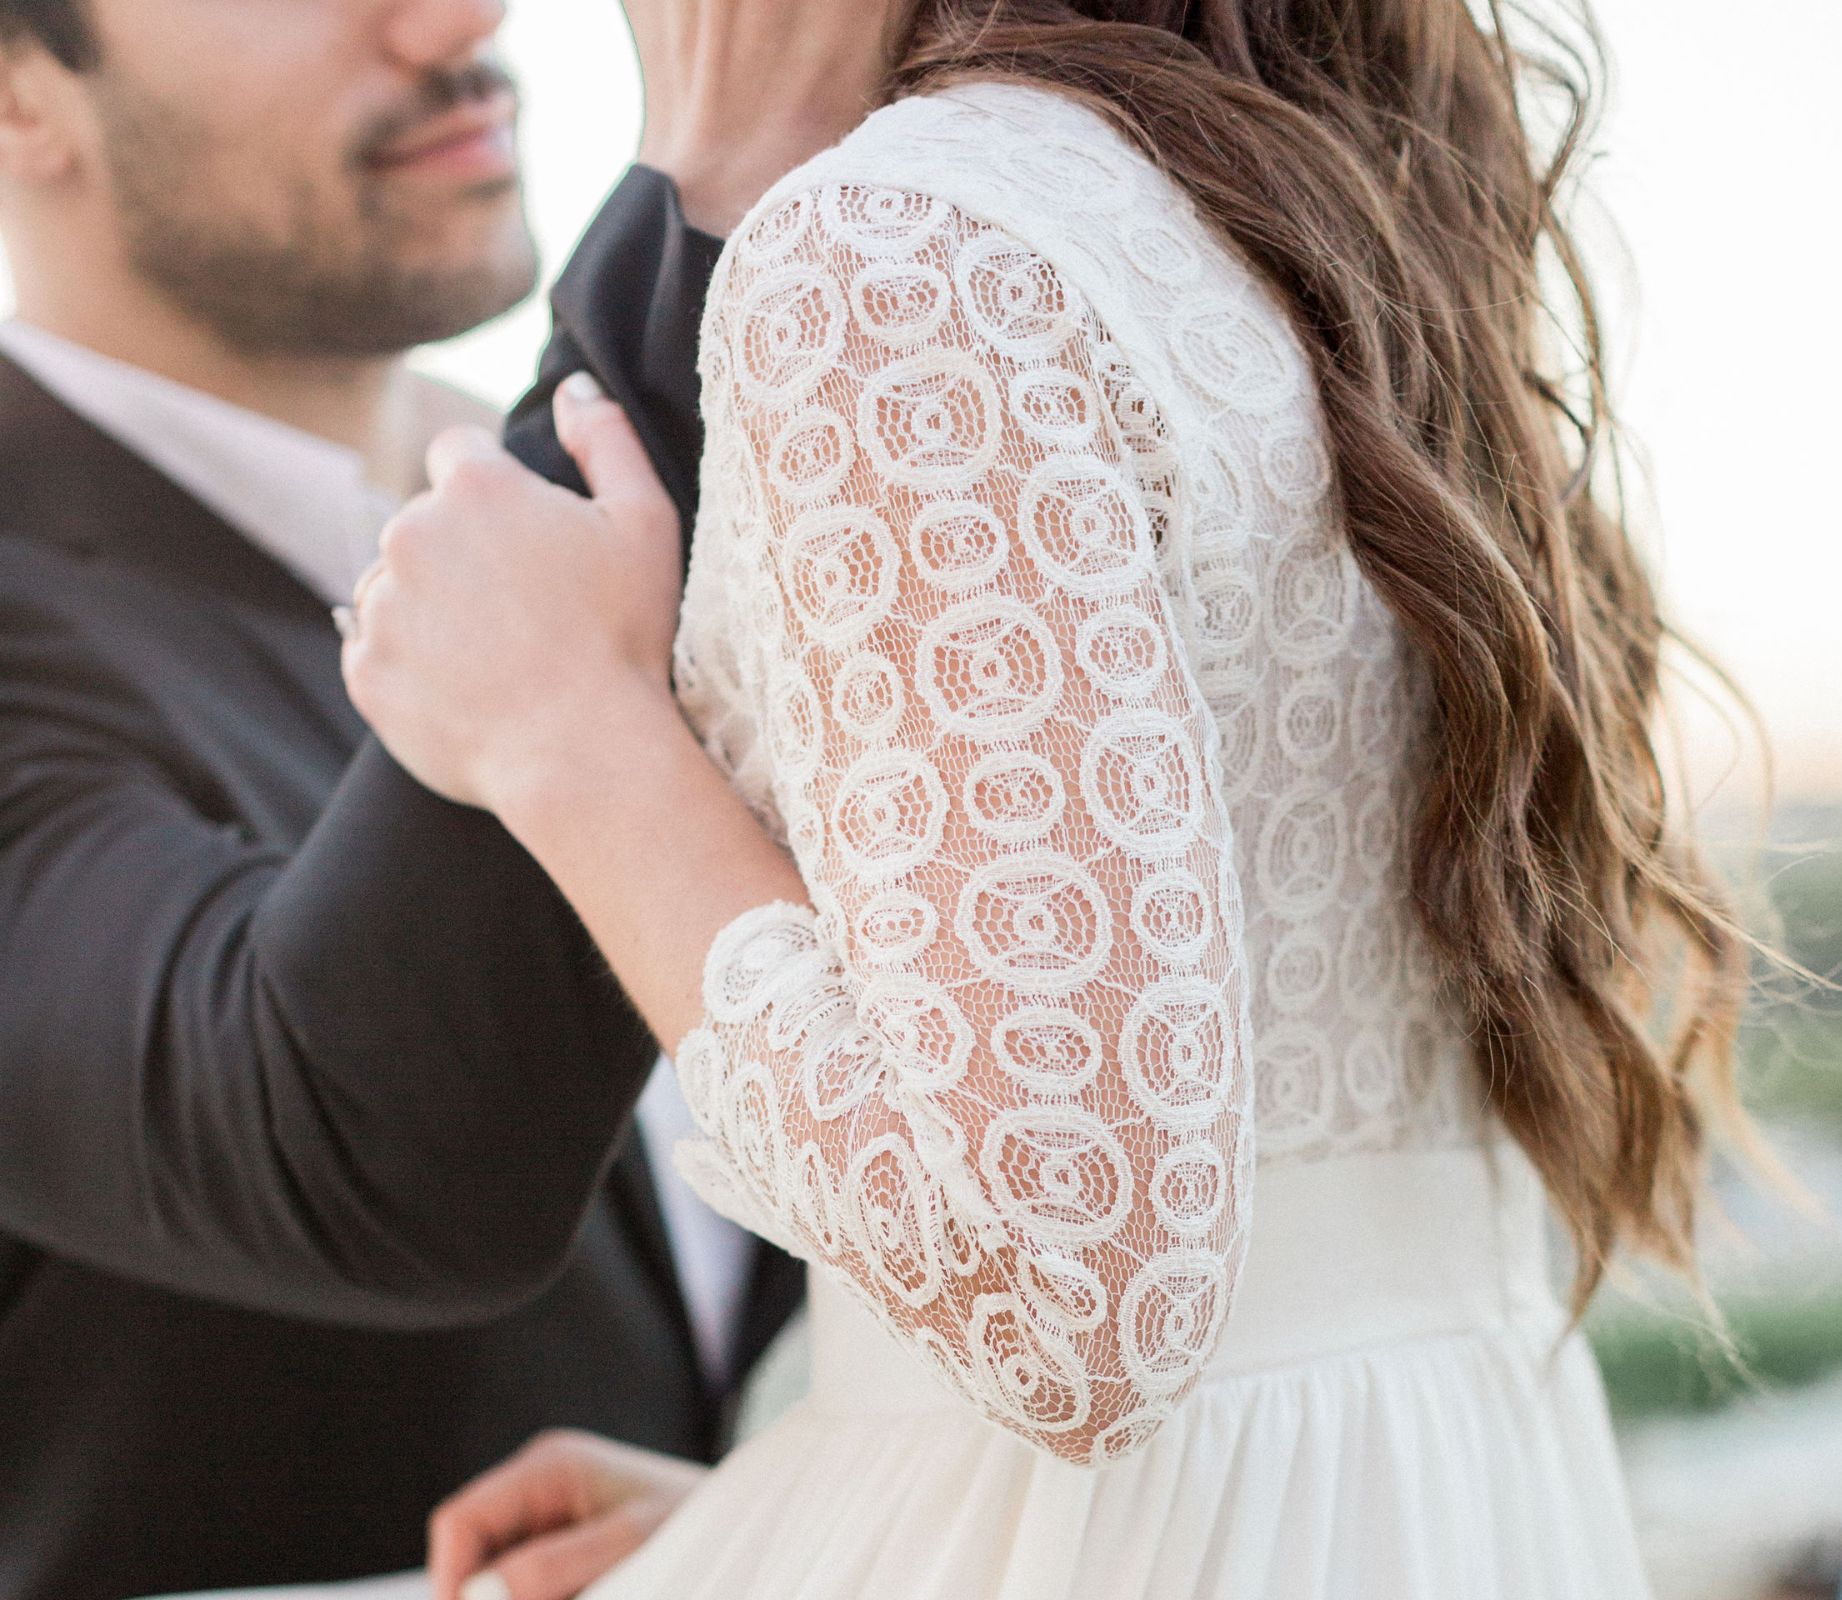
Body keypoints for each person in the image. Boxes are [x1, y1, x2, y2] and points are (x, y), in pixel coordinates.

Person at [352, 0, 1764, 1595]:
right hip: (1434, 1504)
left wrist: (564, 733)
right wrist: (840, 1501)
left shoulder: (898, 254)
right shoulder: (1325, 217)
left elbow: (1061, 1294)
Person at [0, 3, 823, 1596]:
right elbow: (349, 1150)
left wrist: (787, 1504)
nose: (461, 17)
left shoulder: (693, 509)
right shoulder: (636, 430)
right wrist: (714, 204)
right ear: (22, 95)